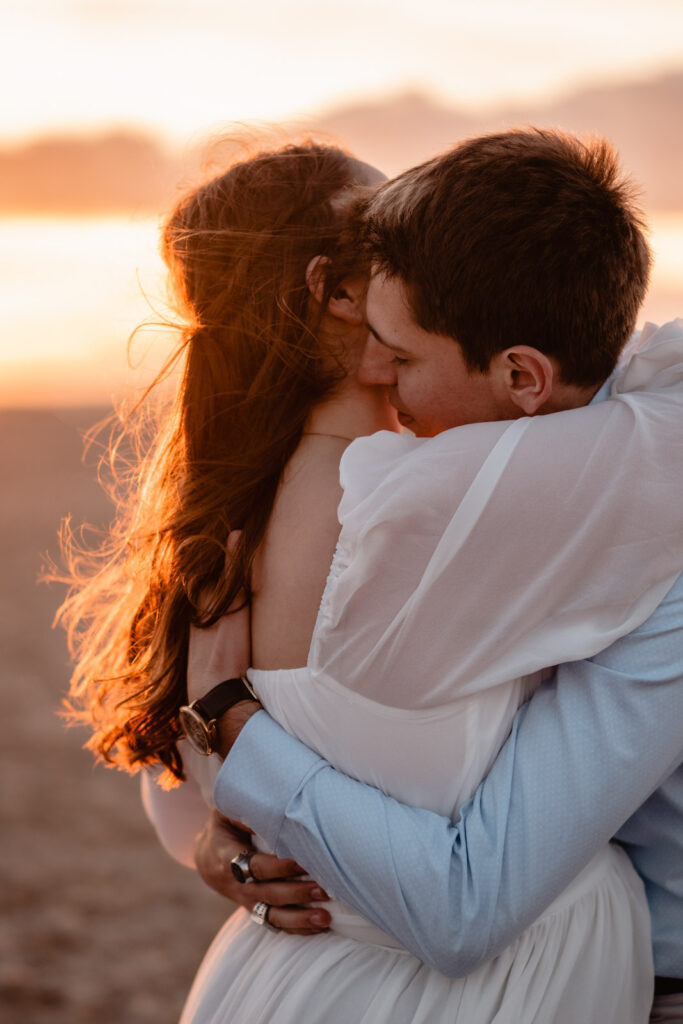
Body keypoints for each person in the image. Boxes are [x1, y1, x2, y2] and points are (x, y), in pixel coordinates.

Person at [139, 131, 683, 1023]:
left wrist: (230, 738)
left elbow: (189, 733)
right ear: (341, 292)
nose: (411, 238)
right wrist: (223, 833)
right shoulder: (427, 500)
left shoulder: (237, 509)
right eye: (384, 231)